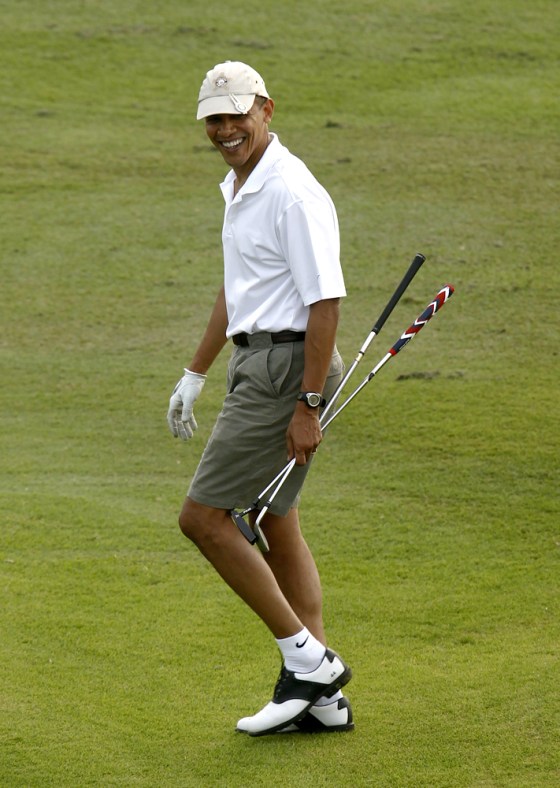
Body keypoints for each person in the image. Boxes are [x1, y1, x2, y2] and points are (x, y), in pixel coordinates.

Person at [167, 61, 353, 736]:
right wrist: (196, 371)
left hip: (286, 368)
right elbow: (237, 289)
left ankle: (307, 662)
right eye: (213, 118)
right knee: (275, 519)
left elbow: (324, 299)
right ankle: (325, 701)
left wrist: (306, 403)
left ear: (266, 110)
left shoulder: (290, 192)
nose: (224, 129)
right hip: (260, 362)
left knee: (204, 519)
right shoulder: (240, 185)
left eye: (236, 115)